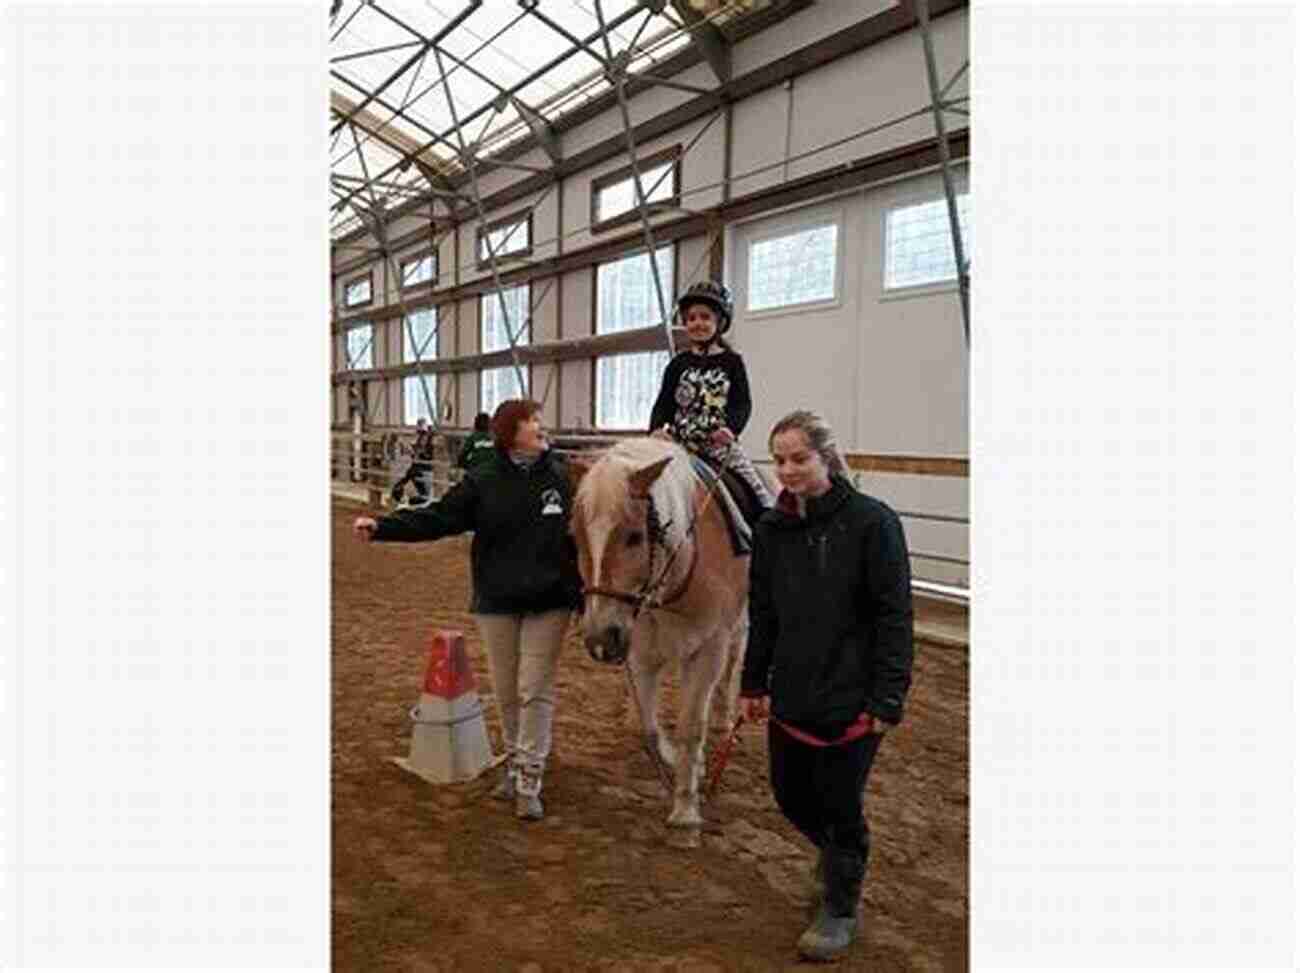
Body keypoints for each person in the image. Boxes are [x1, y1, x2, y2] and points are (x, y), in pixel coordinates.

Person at [740, 409, 914, 962]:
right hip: (793, 689)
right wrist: (751, 682)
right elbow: (763, 612)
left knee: (840, 806)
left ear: (826, 458)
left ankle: (840, 905)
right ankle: (839, 855)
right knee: (789, 795)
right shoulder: (771, 530)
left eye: (800, 458)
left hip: (853, 694)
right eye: (780, 460)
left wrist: (889, 695)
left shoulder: (872, 523)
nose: (788, 470)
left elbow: (894, 615)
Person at [355, 399, 582, 821]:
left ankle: (531, 773)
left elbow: (588, 539)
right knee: (510, 690)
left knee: (535, 689)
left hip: (551, 601)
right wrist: (385, 527)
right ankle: (515, 764)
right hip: (497, 600)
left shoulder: (563, 478)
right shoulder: (483, 480)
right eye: (532, 421)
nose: (541, 427)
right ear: (510, 431)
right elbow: (439, 518)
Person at [648, 280, 773, 515]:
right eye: (692, 318)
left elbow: (742, 404)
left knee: (755, 488)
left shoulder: (732, 362)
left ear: (720, 322)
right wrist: (656, 428)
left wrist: (731, 430)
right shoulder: (677, 364)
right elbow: (663, 403)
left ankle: (767, 528)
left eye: (705, 317)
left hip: (717, 445)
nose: (698, 323)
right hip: (679, 444)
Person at [389, 417, 436, 505]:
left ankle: (402, 496)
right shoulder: (422, 439)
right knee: (409, 476)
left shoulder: (427, 439)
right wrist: (411, 450)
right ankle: (399, 494)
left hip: (422, 469)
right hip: (418, 468)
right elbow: (417, 453)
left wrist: (413, 451)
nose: (420, 434)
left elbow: (422, 454)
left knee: (424, 494)